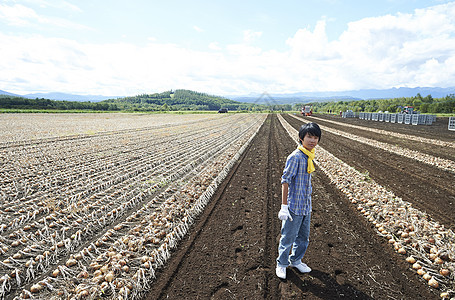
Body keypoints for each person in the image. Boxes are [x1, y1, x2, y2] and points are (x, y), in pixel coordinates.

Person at [276, 122, 321, 280]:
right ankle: (281, 263)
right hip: (294, 207)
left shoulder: (309, 156)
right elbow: (285, 181)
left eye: (315, 137)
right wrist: (284, 206)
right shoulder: (295, 157)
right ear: (301, 138)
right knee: (288, 237)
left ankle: (295, 260)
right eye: (309, 136)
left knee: (303, 238)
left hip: (306, 206)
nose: (312, 140)